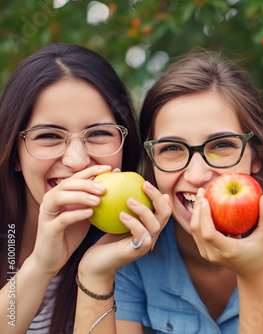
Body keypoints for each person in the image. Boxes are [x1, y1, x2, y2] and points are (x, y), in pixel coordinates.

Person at [74, 50, 263, 334]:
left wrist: (257, 276)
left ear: (256, 158)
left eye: (221, 145)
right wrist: (95, 275)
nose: (197, 175)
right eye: (172, 149)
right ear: (151, 164)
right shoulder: (130, 253)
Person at [0, 43, 170, 334]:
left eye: (99, 133)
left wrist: (97, 272)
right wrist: (40, 266)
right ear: (15, 154)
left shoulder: (135, 247)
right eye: (49, 135)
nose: (77, 160)